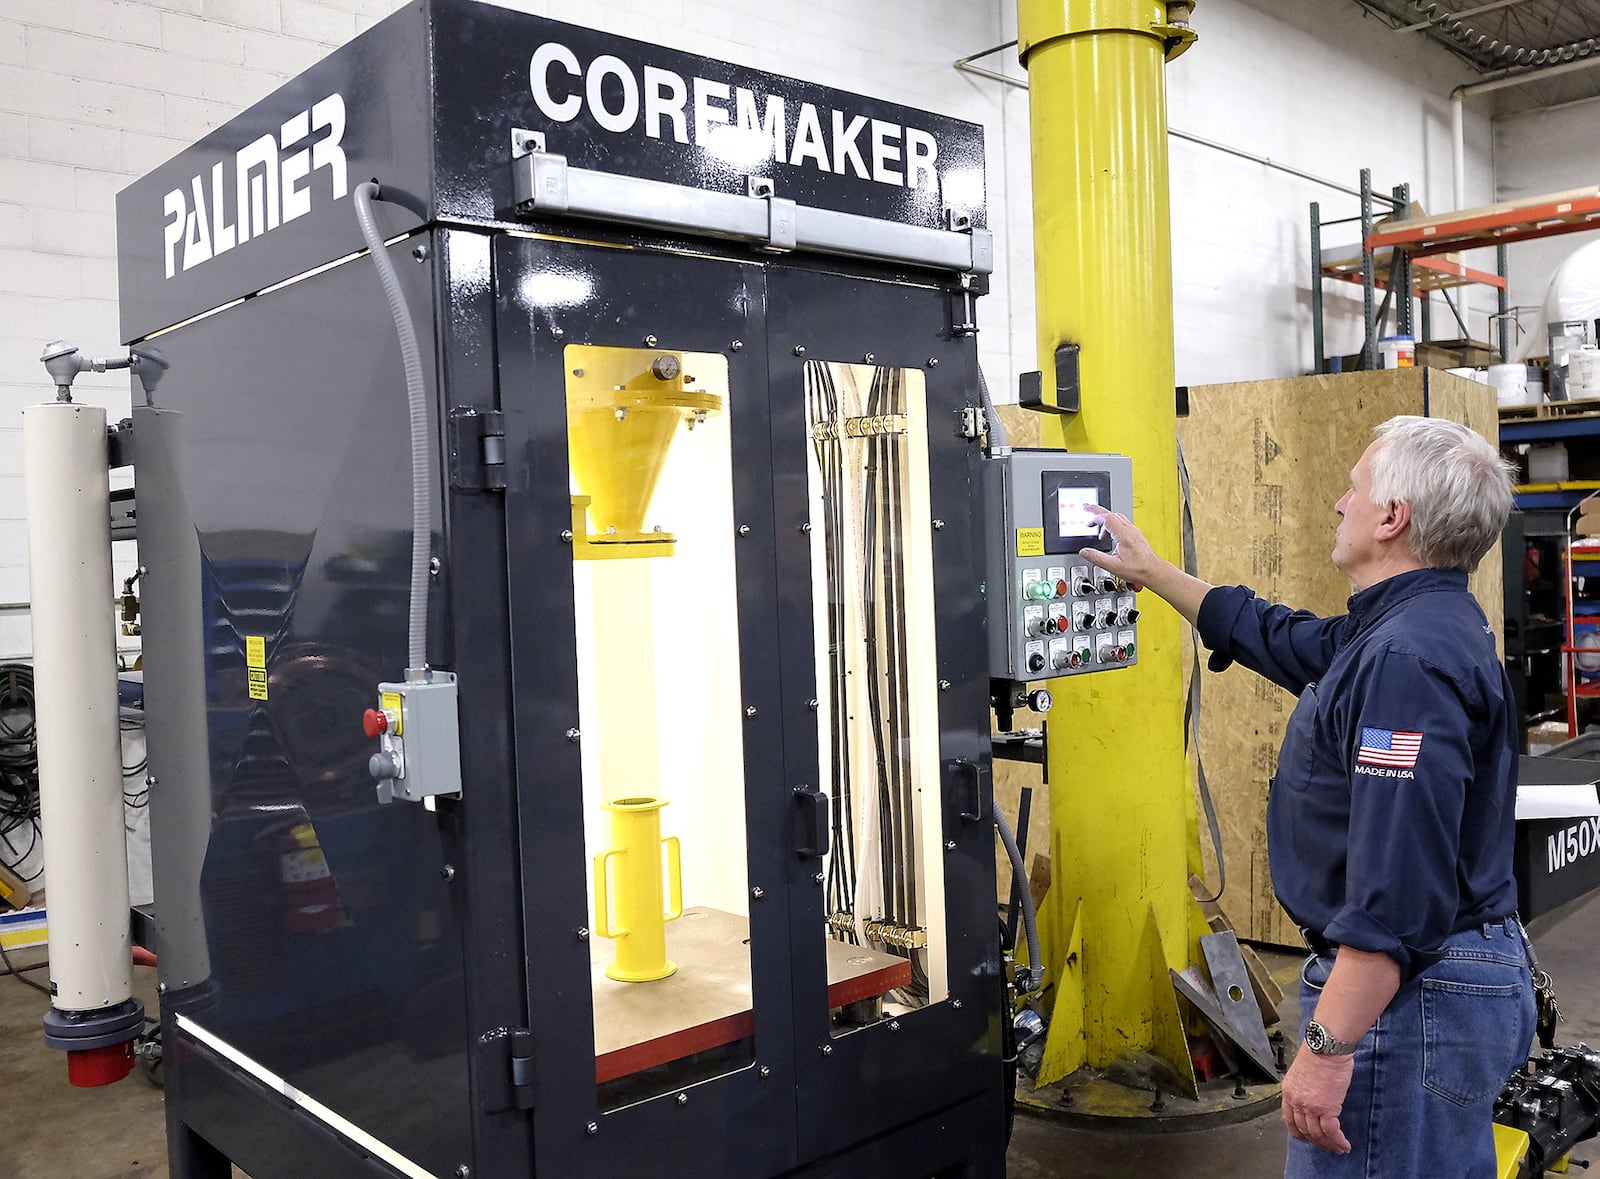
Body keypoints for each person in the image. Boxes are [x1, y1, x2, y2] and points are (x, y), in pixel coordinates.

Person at [1083, 416, 1534, 1177]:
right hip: (1437, 980)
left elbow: (1396, 893)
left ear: (1393, 518)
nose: (1337, 502)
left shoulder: (1405, 659)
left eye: (1353, 487)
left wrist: (1328, 1046)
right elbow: (1282, 637)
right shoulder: (1413, 626)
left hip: (1408, 993)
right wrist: (1155, 573)